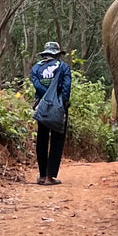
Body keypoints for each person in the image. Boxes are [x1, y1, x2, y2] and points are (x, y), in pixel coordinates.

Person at [29, 41, 71, 185]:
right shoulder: (63, 67)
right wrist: (64, 105)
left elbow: (37, 87)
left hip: (42, 106)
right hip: (58, 107)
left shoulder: (36, 69)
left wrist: (46, 96)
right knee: (57, 140)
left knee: (41, 139)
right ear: (57, 54)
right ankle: (50, 177)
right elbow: (66, 88)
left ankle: (41, 175)